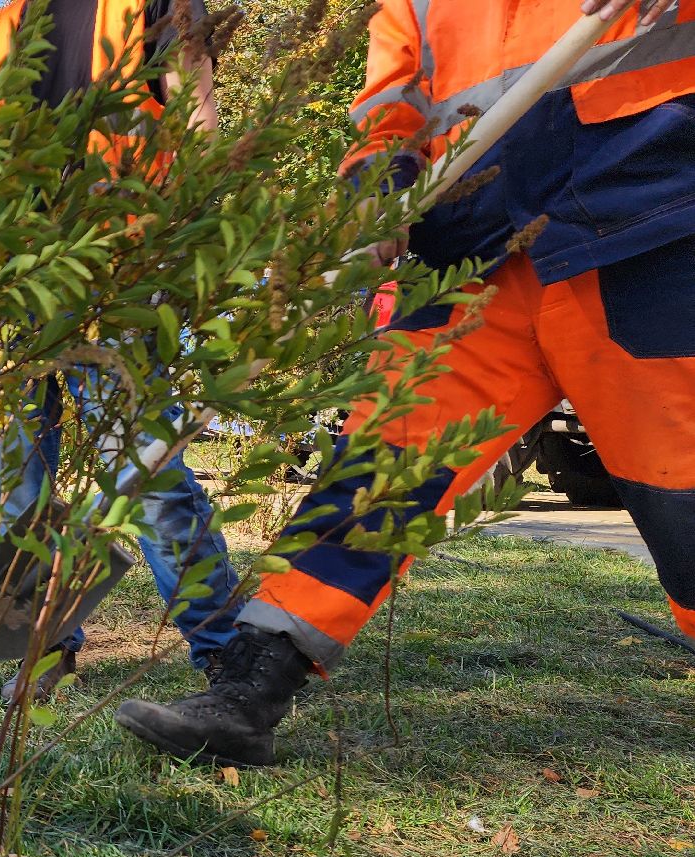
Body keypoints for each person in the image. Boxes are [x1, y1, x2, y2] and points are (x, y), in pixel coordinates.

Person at [117, 0, 695, 766]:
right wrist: (376, 188)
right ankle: (249, 692)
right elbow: (392, 111)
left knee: (680, 486)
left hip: (636, 216)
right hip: (470, 254)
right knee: (372, 474)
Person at [0, 0, 241, 702]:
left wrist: (221, 233)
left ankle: (226, 654)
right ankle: (43, 651)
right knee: (16, 485)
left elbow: (196, 110)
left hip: (120, 270)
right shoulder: (3, 27)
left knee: (141, 473)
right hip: (14, 281)